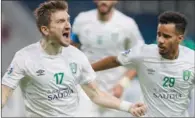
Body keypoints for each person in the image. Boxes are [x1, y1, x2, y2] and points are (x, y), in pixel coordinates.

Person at [1, 1, 147, 117]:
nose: (67, 26)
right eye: (60, 21)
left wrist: (129, 106)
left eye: (68, 21)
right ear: (45, 29)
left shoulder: (77, 56)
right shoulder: (24, 57)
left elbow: (96, 95)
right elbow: (5, 93)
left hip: (104, 99)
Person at [92, 11, 195, 117]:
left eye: (166, 36)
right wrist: (87, 69)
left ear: (180, 38)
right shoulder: (144, 53)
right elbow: (115, 60)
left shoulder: (192, 59)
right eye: (158, 34)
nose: (160, 40)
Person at [71, 0, 144, 117]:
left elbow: (138, 59)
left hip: (114, 94)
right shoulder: (82, 20)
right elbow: (71, 49)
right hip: (86, 91)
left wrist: (122, 84)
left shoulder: (128, 24)